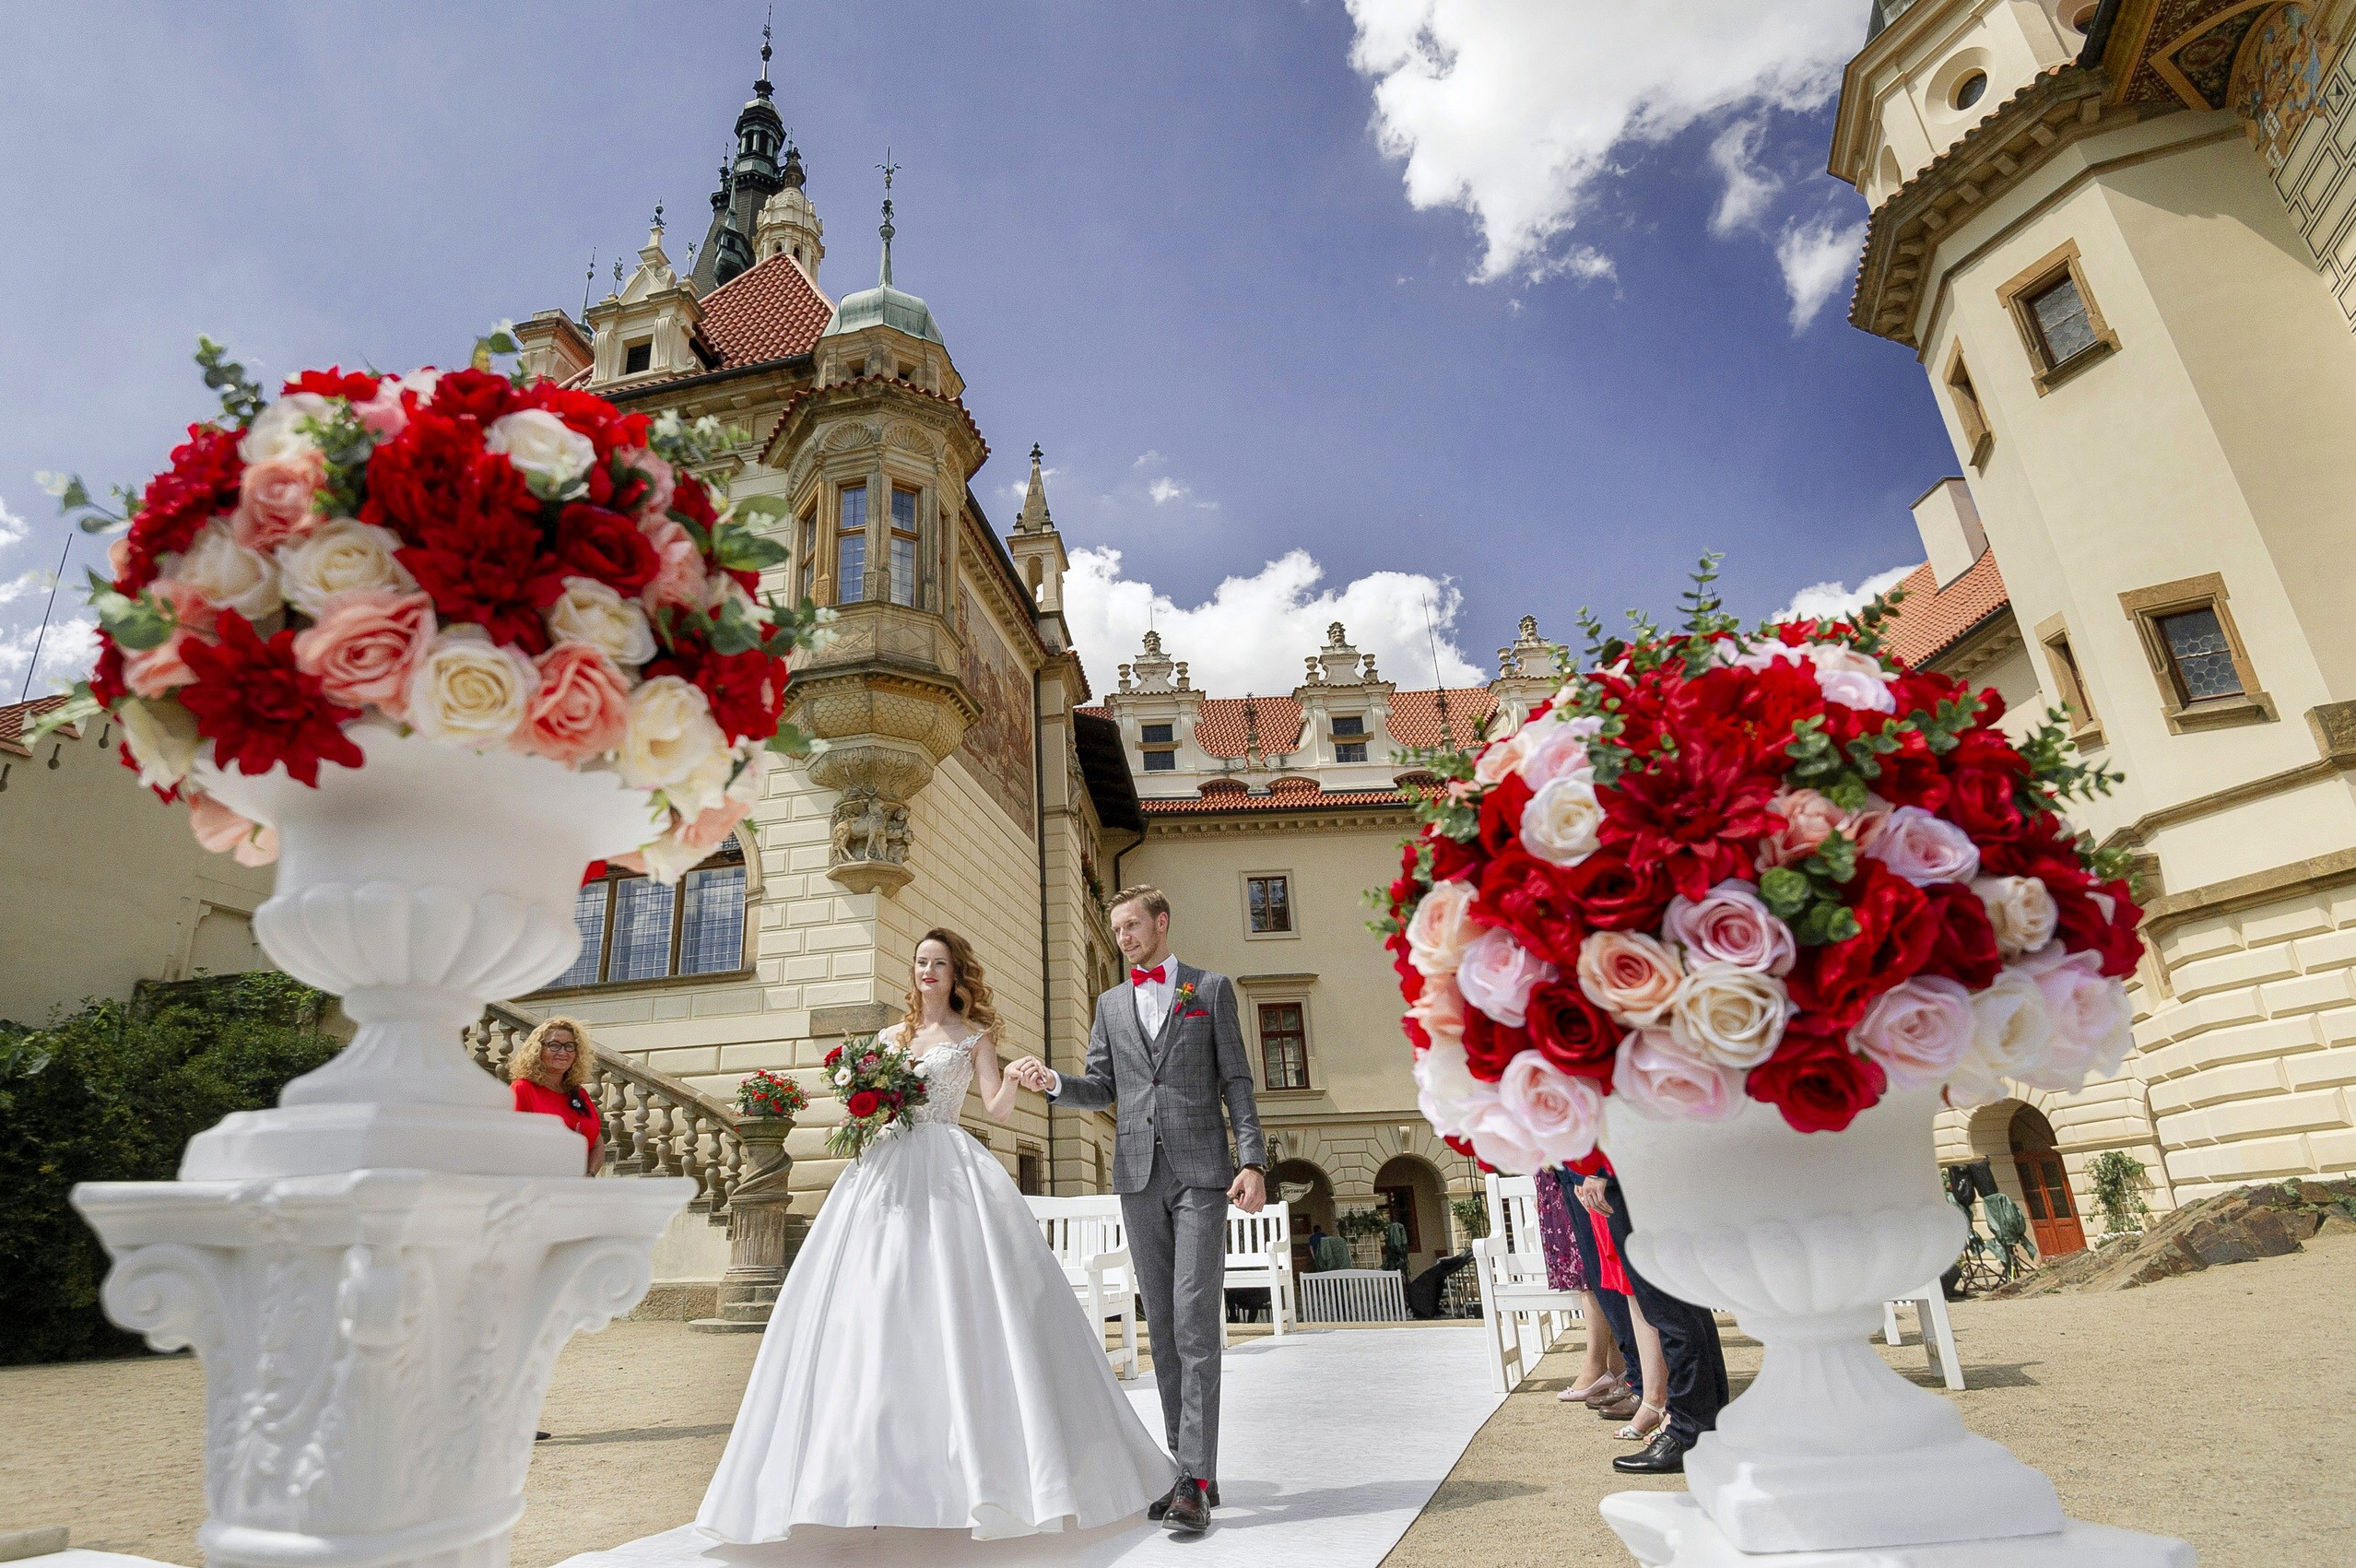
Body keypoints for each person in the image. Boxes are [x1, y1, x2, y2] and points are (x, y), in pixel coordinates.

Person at [698, 930, 1173, 1544]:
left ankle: (986, 1477)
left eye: (939, 963)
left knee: (958, 1304)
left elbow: (996, 1106)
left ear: (956, 975)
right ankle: (857, 1479)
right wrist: (868, 1103)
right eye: (922, 962)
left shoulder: (972, 1037)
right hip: (882, 1171)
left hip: (949, 1169)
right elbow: (858, 1109)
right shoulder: (888, 1039)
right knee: (870, 1309)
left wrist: (1023, 1077)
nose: (928, 971)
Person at [1008, 884, 1268, 1537]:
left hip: (1204, 1174)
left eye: (1131, 925)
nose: (1122, 936)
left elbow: (1236, 1079)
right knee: (1164, 1328)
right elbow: (1103, 1084)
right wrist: (1057, 1083)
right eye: (1115, 927)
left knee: (1193, 1319)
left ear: (1161, 921)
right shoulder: (1108, 1004)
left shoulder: (1209, 990)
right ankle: (1192, 1472)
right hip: (1137, 1175)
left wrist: (1254, 1160)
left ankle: (1194, 1479)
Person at [1586, 1163, 1729, 1475]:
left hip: (1634, 1171)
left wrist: (1600, 1169)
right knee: (1680, 1303)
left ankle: (1688, 1432)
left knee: (1668, 1305)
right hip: (1647, 1171)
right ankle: (1706, 1423)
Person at [1533, 1164, 1629, 1412]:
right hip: (1557, 1169)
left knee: (1596, 1270)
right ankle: (1621, 1371)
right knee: (1591, 1271)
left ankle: (1614, 1370)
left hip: (1575, 1165)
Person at [508, 1017, 603, 1175]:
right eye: (554, 1045)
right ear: (538, 1050)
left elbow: (598, 1143)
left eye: (570, 1046)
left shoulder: (579, 1093)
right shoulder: (522, 1089)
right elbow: (510, 1144)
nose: (563, 1052)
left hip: (576, 1189)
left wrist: (590, 1175)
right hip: (538, 1185)